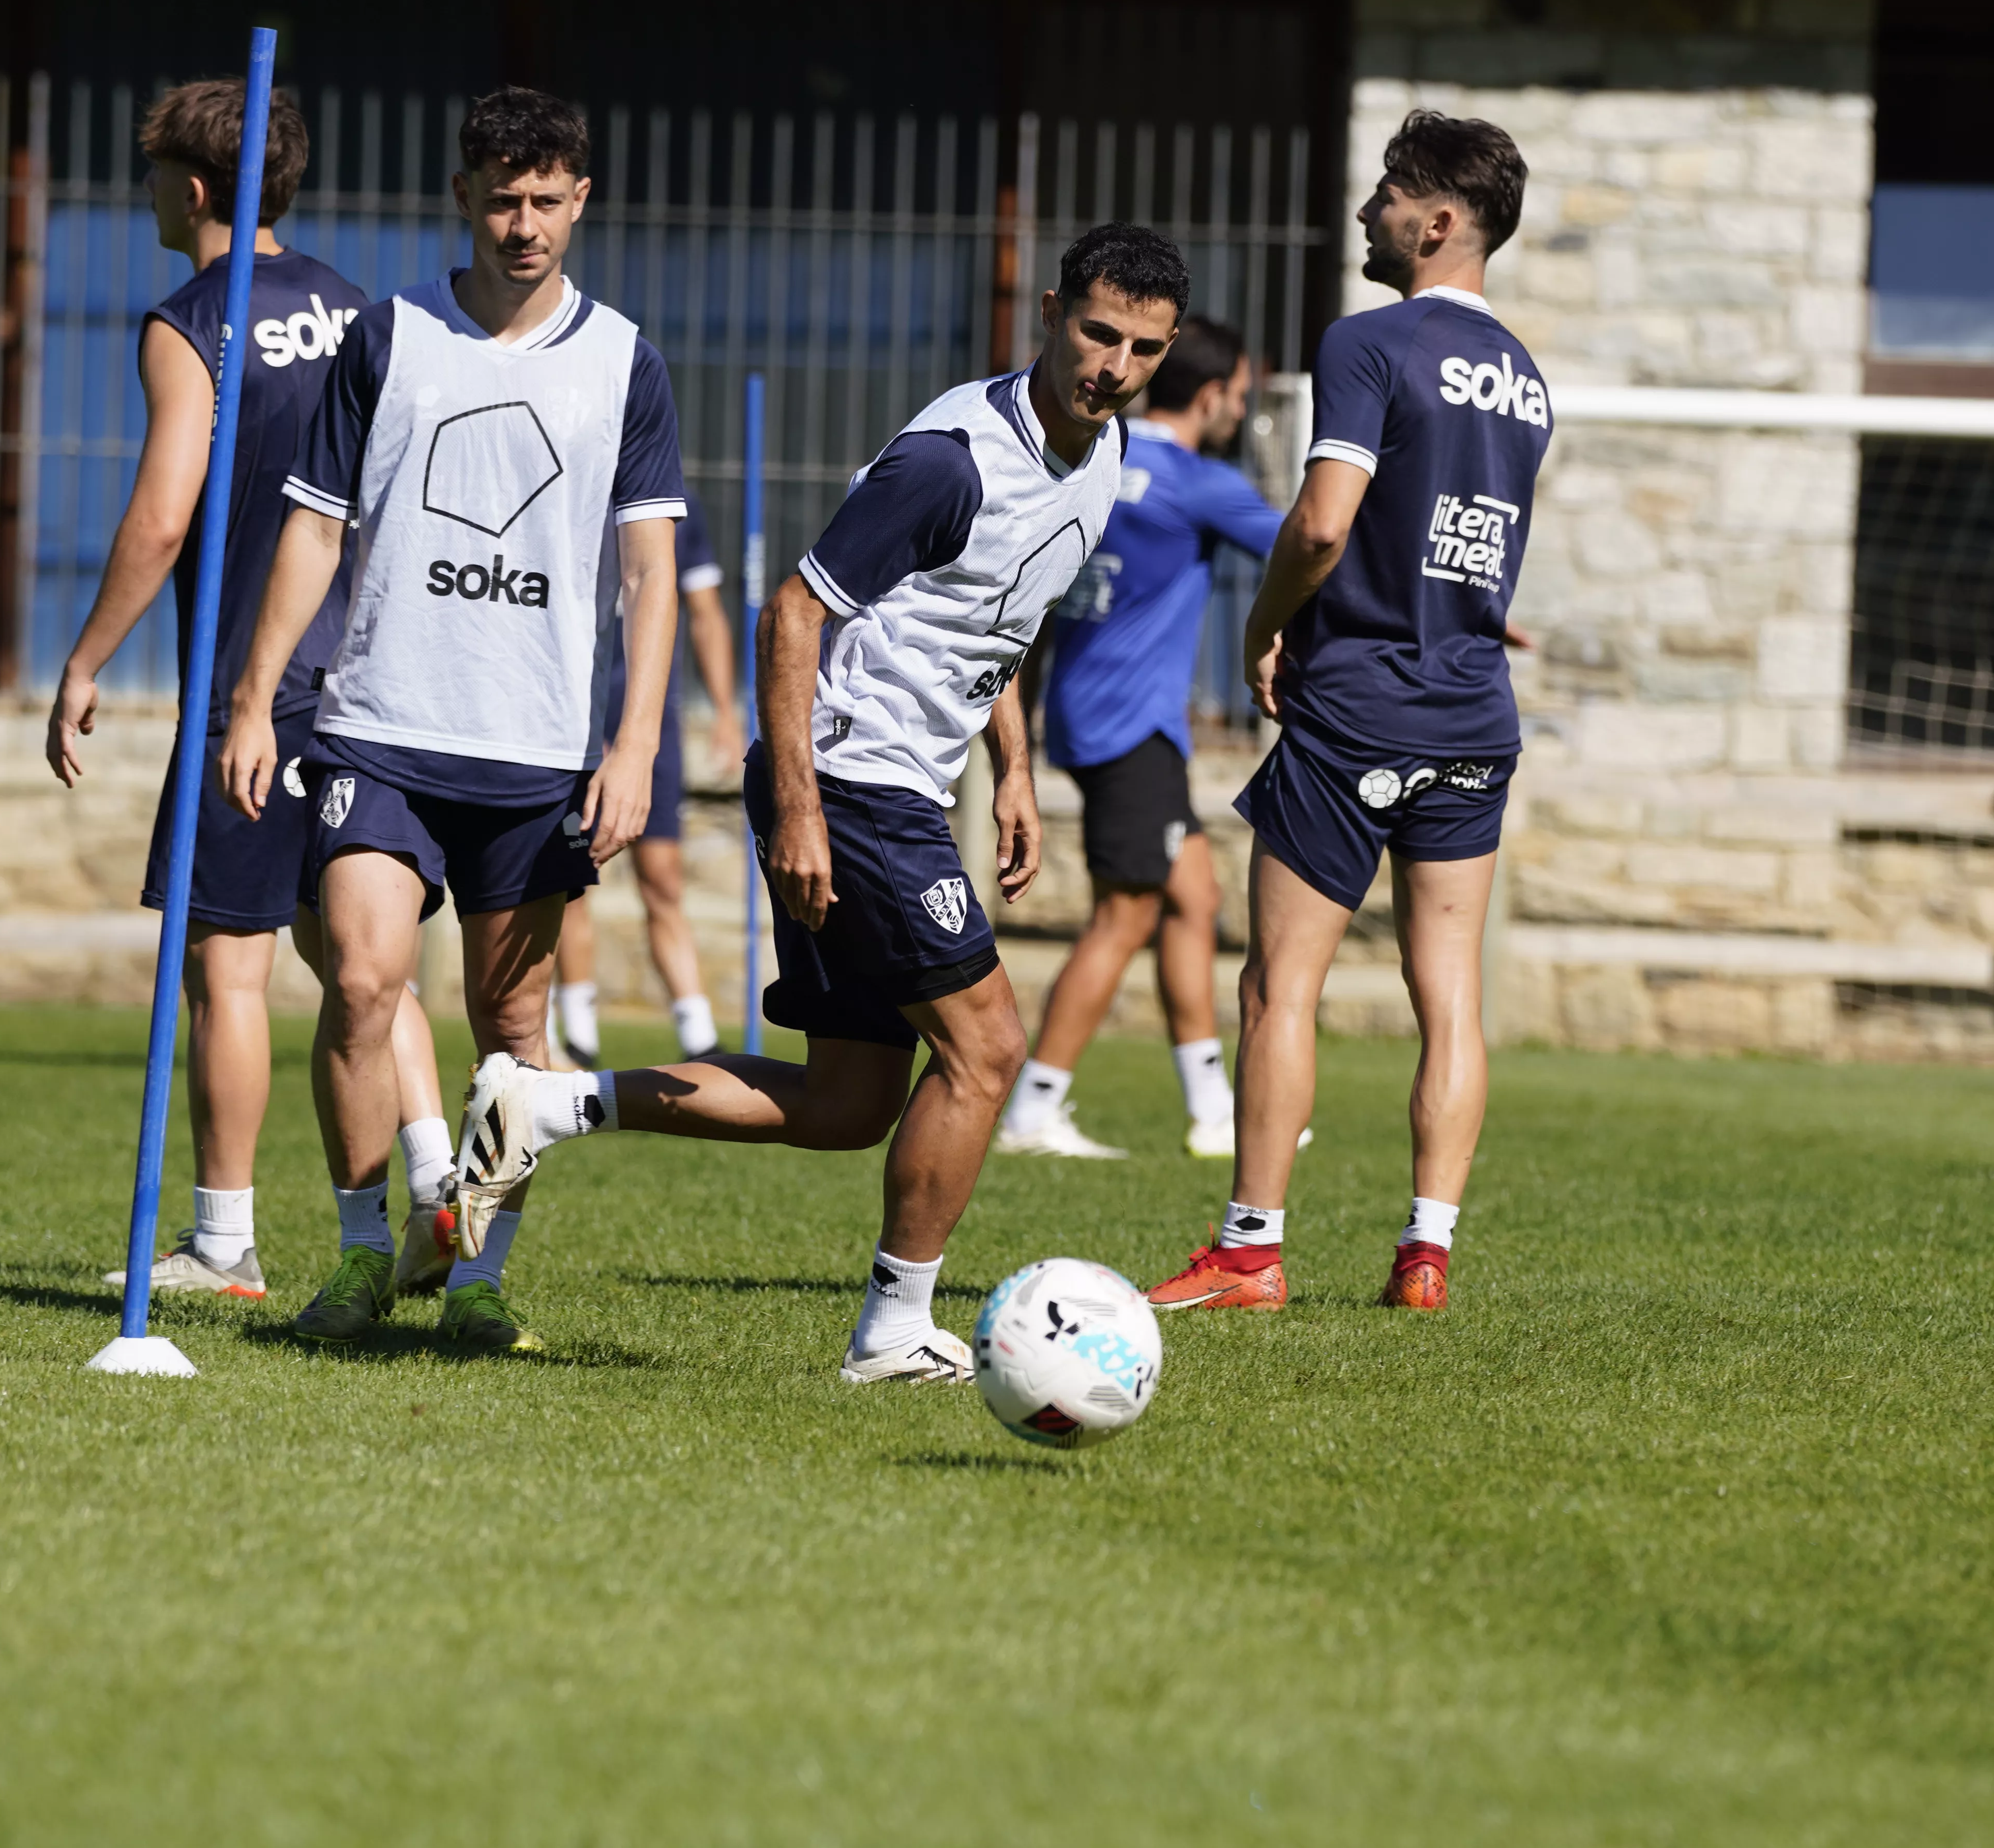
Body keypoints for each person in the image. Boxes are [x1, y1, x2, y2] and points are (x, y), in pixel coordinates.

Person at [446, 224, 1186, 1384]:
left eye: (1141, 347)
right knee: (987, 1050)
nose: (1112, 364)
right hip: (850, 780)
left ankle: (543, 1106)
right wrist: (798, 808)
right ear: (1050, 312)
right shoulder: (951, 459)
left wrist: (1017, 770)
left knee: (847, 1103)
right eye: (1097, 333)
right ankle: (892, 1334)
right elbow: (793, 613)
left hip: (904, 784)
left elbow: (995, 620)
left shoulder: (1101, 456)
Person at [222, 87, 685, 1351]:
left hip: (535, 750)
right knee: (364, 981)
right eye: (501, 199)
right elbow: (315, 524)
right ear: (462, 197)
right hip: (380, 724)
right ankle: (365, 1253)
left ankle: (478, 1274)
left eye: (546, 200)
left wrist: (635, 741)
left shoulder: (622, 360)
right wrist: (257, 697)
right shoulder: (391, 334)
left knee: (513, 1030)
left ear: (581, 199)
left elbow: (648, 573)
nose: (523, 224)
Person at [42, 77, 453, 1301]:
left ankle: (223, 1239)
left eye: (159, 172)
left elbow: (166, 515)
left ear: (199, 188)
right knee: (365, 961)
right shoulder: (358, 309)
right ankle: (439, 1187)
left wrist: (83, 659)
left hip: (251, 696)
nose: (150, 194)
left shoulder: (187, 324)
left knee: (227, 964)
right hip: (370, 683)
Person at [1148, 113, 1553, 1317]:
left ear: (1438, 223)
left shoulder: (1372, 341)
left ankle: (1250, 1250)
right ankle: (1426, 1253)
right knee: (1452, 995)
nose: (1370, 209)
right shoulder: (1527, 377)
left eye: (1390, 191)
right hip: (1473, 715)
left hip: (1358, 708)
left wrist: (1265, 623)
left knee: (1282, 985)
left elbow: (1325, 521)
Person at [999, 316, 1285, 1162]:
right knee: (1121, 918)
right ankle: (1032, 1106)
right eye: (1239, 394)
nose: (1240, 409)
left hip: (1088, 714)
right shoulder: (1197, 481)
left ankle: (1211, 1109)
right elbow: (1314, 543)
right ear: (1211, 396)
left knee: (1191, 899)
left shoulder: (1104, 455)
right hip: (1133, 727)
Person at [549, 494, 742, 1063]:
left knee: (662, 879)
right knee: (570, 883)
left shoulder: (678, 506)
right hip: (571, 731)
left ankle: (698, 1038)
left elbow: (705, 612)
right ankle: (577, 1037)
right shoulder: (574, 491)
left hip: (650, 733)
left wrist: (727, 716)